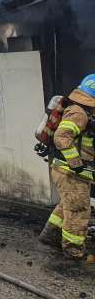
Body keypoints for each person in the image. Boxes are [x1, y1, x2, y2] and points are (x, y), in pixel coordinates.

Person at [39, 74, 95, 265]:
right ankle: (74, 253)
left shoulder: (84, 112)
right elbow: (62, 136)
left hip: (70, 172)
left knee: (67, 206)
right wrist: (75, 162)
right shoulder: (79, 113)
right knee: (79, 211)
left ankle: (51, 236)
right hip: (71, 172)